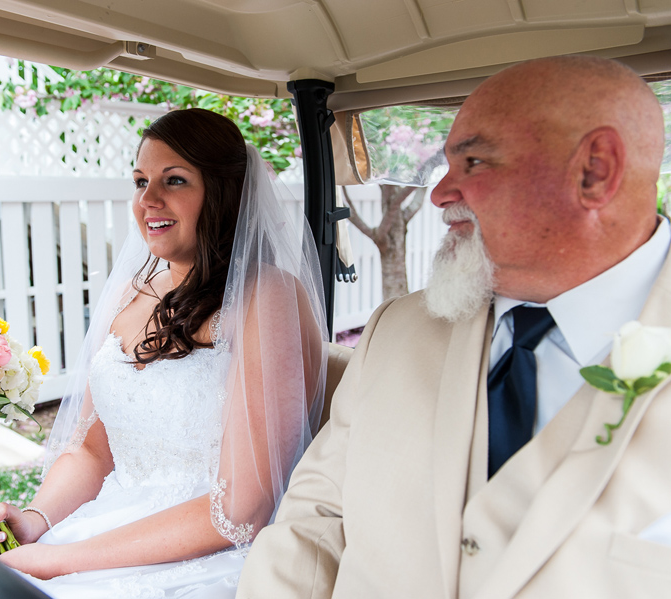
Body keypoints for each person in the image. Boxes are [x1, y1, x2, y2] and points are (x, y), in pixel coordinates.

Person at [0, 108, 328, 598]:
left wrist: (57, 563)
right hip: (104, 521)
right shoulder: (131, 295)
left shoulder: (267, 297)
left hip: (203, 549)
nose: (148, 201)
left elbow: (241, 509)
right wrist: (33, 522)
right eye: (141, 182)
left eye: (175, 181)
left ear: (225, 193)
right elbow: (94, 450)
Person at [238, 56, 671, 598]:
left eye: (474, 163)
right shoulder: (397, 330)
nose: (440, 193)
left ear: (595, 171)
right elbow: (314, 519)